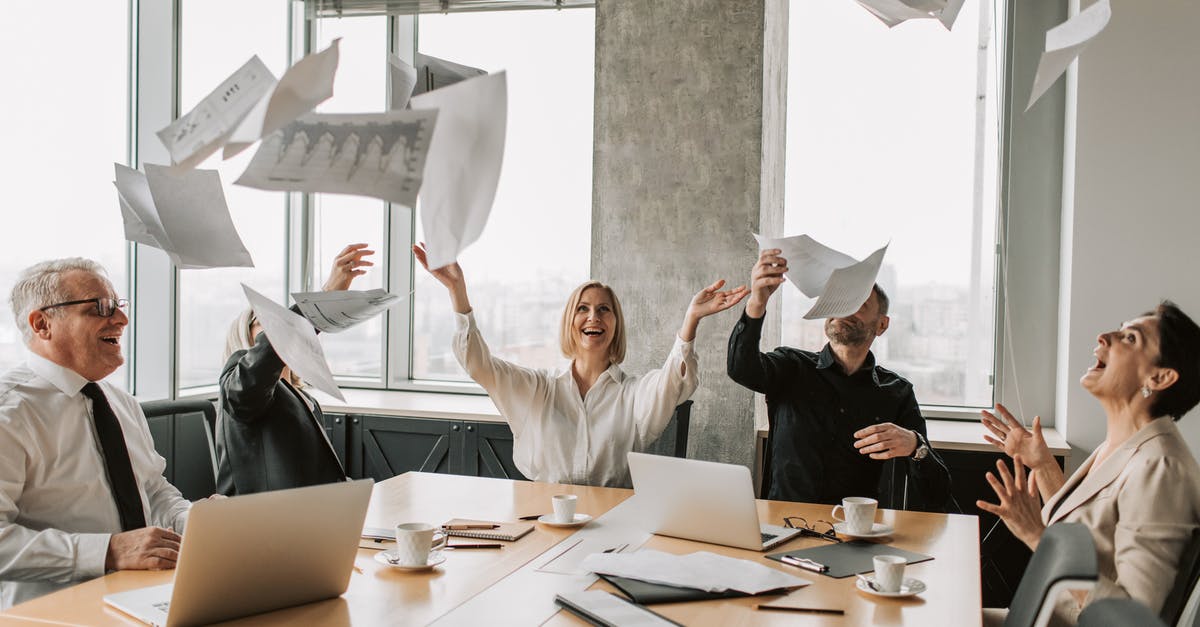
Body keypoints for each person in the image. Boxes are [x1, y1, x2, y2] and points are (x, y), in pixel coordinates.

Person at [413, 243, 749, 487]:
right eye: (583, 308)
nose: (593, 316)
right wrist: (458, 291)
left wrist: (691, 320)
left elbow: (673, 382)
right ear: (569, 321)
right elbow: (479, 364)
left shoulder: (633, 394)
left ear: (615, 324)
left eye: (604, 309)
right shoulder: (537, 388)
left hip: (612, 522)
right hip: (540, 518)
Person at [979, 301, 1200, 624]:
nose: (1104, 336)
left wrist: (1036, 536)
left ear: (1160, 376)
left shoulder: (1162, 469)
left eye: (1130, 338)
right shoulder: (1122, 445)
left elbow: (1135, 618)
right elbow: (1083, 535)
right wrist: (1041, 465)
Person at [0, 258, 191, 608]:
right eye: (100, 308)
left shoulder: (121, 402)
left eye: (118, 305)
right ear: (42, 324)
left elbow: (152, 489)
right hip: (49, 612)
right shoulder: (9, 413)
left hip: (144, 598)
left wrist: (192, 521)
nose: (121, 319)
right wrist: (106, 551)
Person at [727, 248, 950, 509]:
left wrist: (915, 445)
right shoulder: (791, 366)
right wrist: (757, 302)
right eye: (837, 301)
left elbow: (938, 491)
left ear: (882, 325)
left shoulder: (897, 392)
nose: (844, 309)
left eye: (858, 304)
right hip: (784, 527)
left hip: (859, 534)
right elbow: (740, 368)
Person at [216, 243, 374, 495]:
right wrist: (325, 296)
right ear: (247, 339)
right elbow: (255, 375)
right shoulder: (239, 380)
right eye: (266, 324)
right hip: (263, 522)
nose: (276, 328)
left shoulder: (304, 398)